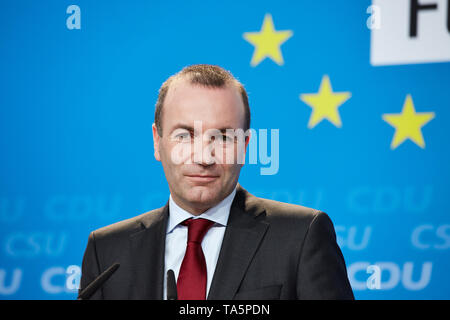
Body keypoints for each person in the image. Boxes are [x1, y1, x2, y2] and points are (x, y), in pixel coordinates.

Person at [79, 64, 354, 300]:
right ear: (157, 141)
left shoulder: (301, 236)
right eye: (185, 135)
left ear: (245, 146)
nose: (203, 157)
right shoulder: (106, 250)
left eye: (223, 137)